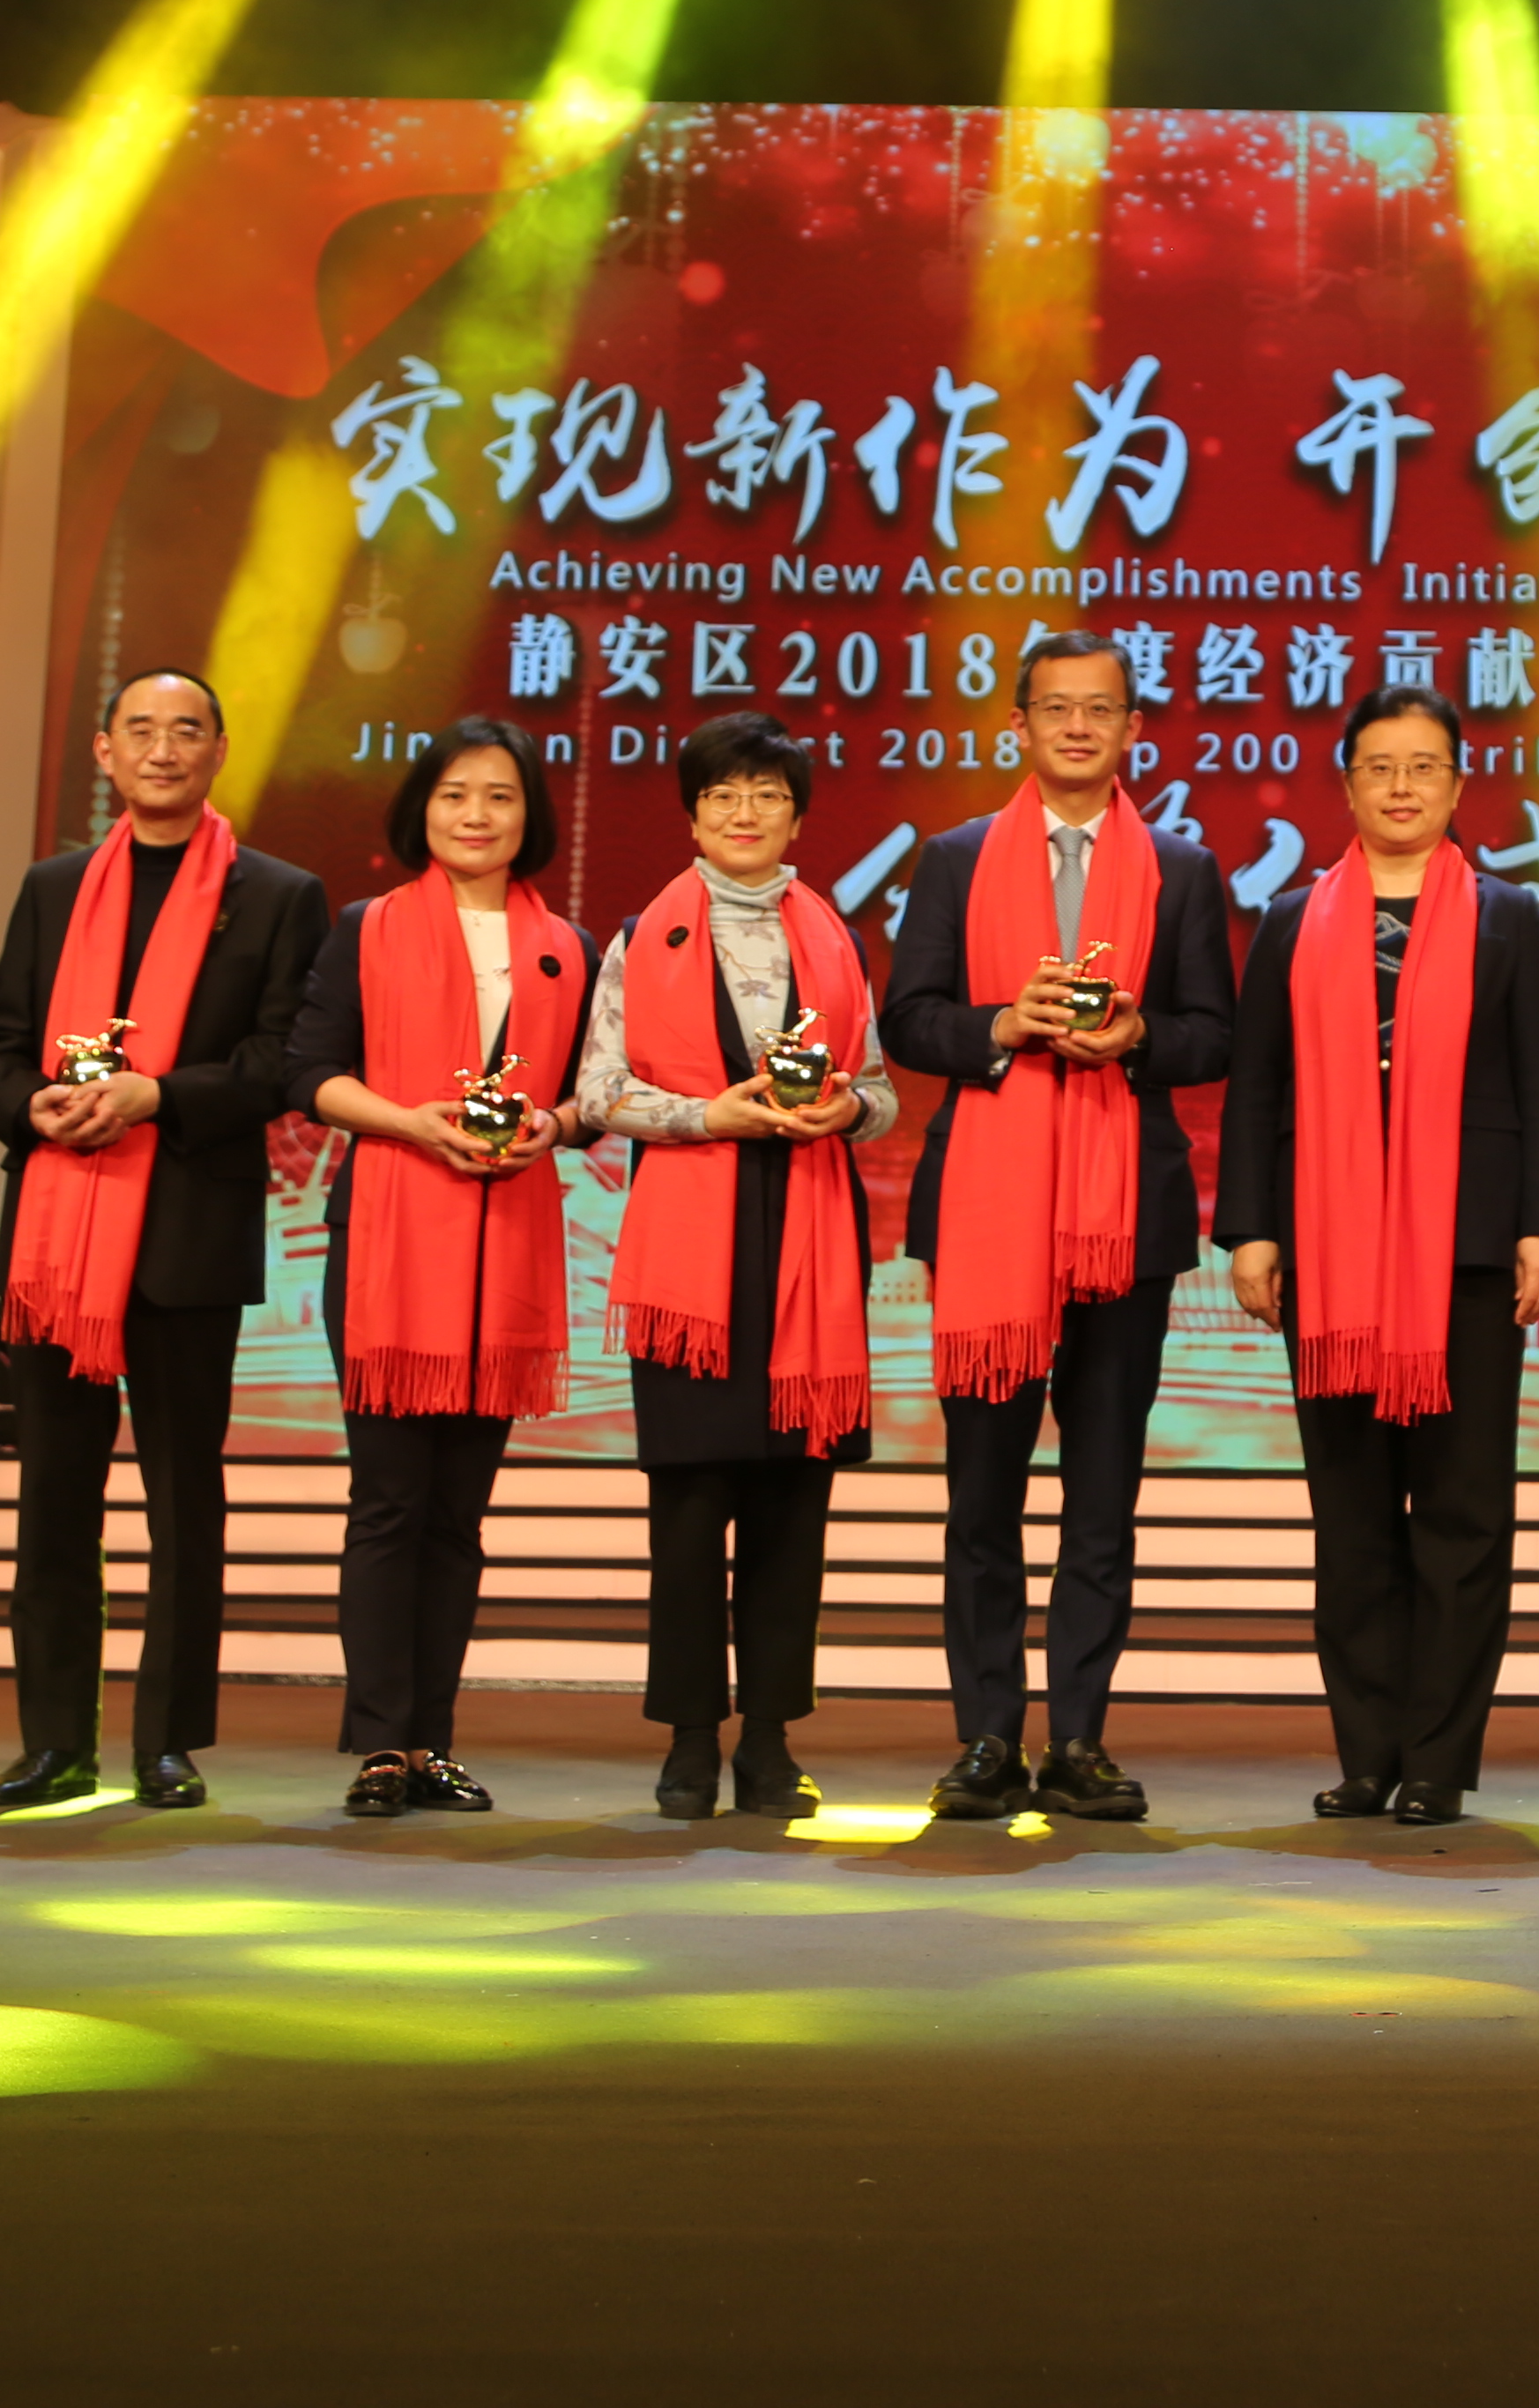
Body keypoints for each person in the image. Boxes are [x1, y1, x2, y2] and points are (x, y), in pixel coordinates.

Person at [881, 629, 1237, 1825]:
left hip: (1124, 1215)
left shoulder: (1182, 869)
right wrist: (1001, 1024)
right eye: (1056, 708)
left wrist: (1138, 1039)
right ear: (1019, 725)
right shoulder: (955, 859)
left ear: (1134, 728)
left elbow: (1215, 1034)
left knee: (1101, 1491)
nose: (1078, 728)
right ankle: (987, 1736)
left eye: (1101, 710)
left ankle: (1078, 1738)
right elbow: (908, 1020)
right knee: (981, 1494)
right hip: (989, 1209)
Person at [1216, 685, 1539, 1828]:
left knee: (1462, 1518)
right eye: (1381, 766)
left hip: (1467, 1254)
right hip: (1329, 1255)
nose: (1403, 786)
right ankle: (1367, 1753)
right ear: (1350, 784)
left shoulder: (1510, 916)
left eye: (1424, 767)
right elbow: (1257, 1087)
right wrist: (1254, 1228)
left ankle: (1437, 1760)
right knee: (1353, 1519)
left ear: (1459, 785)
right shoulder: (1291, 921)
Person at [0, 669, 325, 1811]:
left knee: (183, 1500)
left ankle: (168, 1743)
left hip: (186, 1226)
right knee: (53, 1500)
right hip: (57, 1233)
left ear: (218, 750)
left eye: (186, 731)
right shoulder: (53, 888)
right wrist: (33, 1106)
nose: (163, 749)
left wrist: (156, 1095)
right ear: (104, 752)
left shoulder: (279, 895)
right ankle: (52, 1744)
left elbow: (279, 1063)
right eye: (141, 730)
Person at [584, 710, 893, 1821]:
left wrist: (848, 1110)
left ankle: (767, 1740)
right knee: (688, 1511)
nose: (745, 812)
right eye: (723, 795)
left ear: (796, 817)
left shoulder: (835, 940)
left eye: (767, 794)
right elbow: (597, 1092)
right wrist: (706, 1115)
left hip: (809, 1239)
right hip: (690, 1255)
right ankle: (686, 1740)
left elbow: (879, 1090)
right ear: (693, 816)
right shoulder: (643, 938)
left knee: (790, 1513)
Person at [294, 718, 591, 1819]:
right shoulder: (366, 928)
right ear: (422, 809)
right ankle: (381, 1743)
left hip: (506, 1241)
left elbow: (591, 1096)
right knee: (389, 1502)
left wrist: (555, 1124)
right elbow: (308, 1071)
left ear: (530, 817)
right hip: (389, 1238)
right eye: (455, 793)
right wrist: (412, 1123)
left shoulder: (567, 945)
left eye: (500, 796)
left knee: (459, 1517)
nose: (476, 814)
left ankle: (432, 1744)